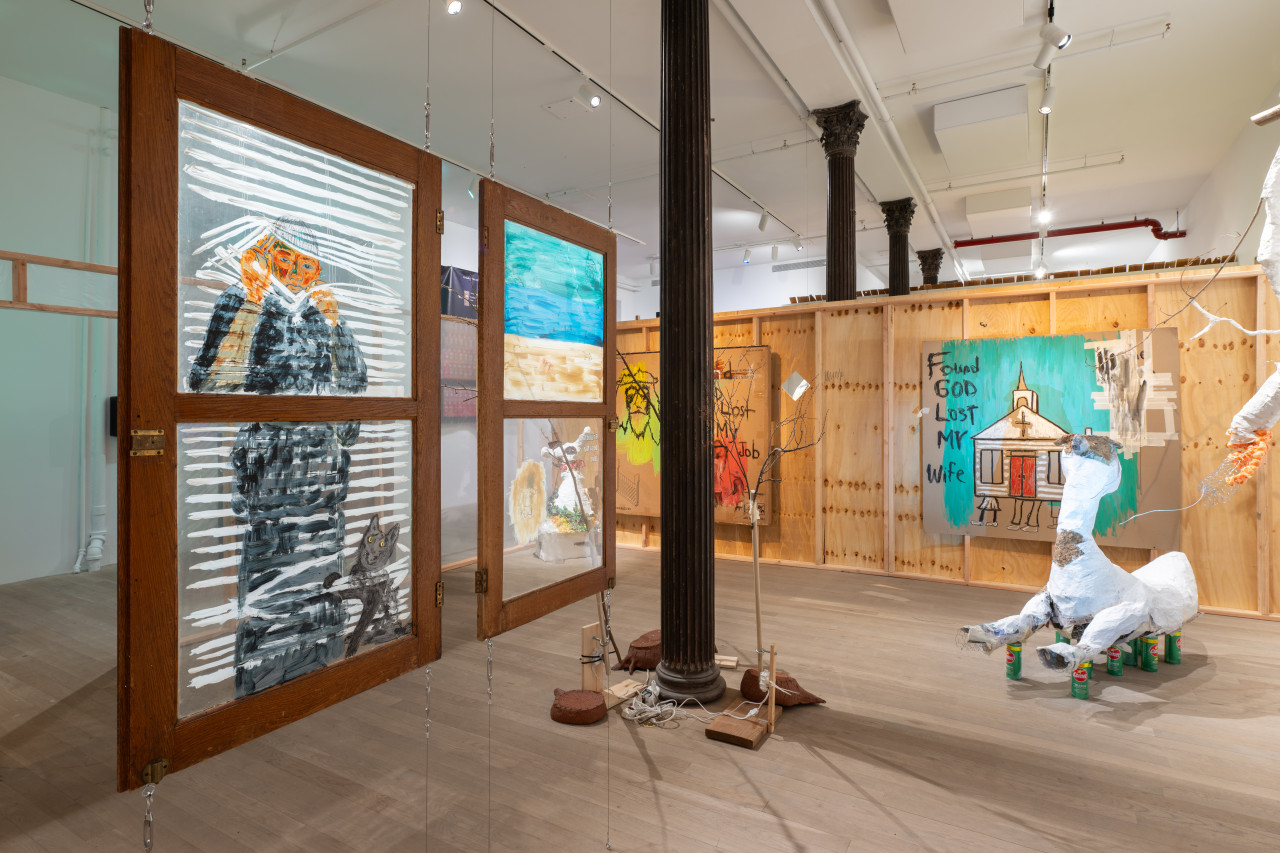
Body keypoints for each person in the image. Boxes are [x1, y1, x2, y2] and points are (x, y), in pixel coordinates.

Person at [187, 218, 369, 698]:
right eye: (283, 257)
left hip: (324, 480)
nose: (295, 270)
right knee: (270, 590)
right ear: (265, 256)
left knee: (323, 584)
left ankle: (322, 671)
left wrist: (335, 328)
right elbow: (208, 384)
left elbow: (355, 389)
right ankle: (265, 689)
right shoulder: (244, 297)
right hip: (271, 476)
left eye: (306, 263)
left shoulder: (322, 313)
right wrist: (248, 301)